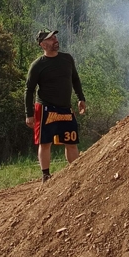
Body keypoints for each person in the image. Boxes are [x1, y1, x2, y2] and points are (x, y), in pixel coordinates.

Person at [24, 30, 86, 182]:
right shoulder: (37, 65)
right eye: (51, 39)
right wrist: (29, 114)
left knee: (71, 142)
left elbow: (75, 79)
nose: (55, 40)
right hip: (45, 109)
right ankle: (46, 176)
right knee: (45, 143)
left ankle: (76, 174)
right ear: (43, 44)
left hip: (65, 108)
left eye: (55, 37)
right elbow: (29, 90)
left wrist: (81, 98)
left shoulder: (67, 59)